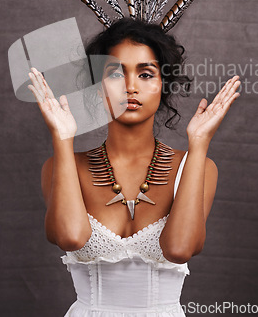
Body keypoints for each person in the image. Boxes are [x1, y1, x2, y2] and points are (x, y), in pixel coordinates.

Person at [27, 17, 241, 316]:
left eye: (145, 74)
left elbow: (179, 250)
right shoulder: (60, 166)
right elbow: (70, 237)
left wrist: (200, 142)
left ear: (163, 84)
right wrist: (62, 139)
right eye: (114, 73)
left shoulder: (197, 167)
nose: (130, 87)